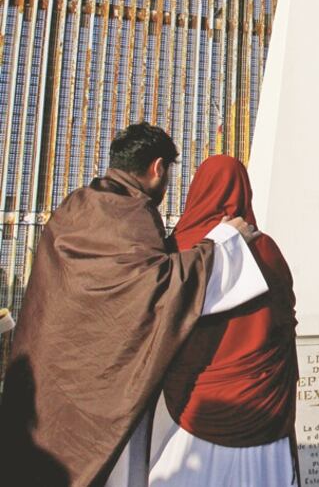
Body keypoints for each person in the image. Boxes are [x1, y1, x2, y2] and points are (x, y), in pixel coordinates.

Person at [0, 123, 267, 486]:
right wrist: (222, 244)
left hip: (52, 373)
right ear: (158, 167)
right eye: (169, 173)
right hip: (103, 385)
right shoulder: (131, 212)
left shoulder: (76, 203)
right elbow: (153, 290)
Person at [148, 155, 299, 486]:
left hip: (190, 413)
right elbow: (286, 320)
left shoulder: (176, 252)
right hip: (263, 411)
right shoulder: (267, 249)